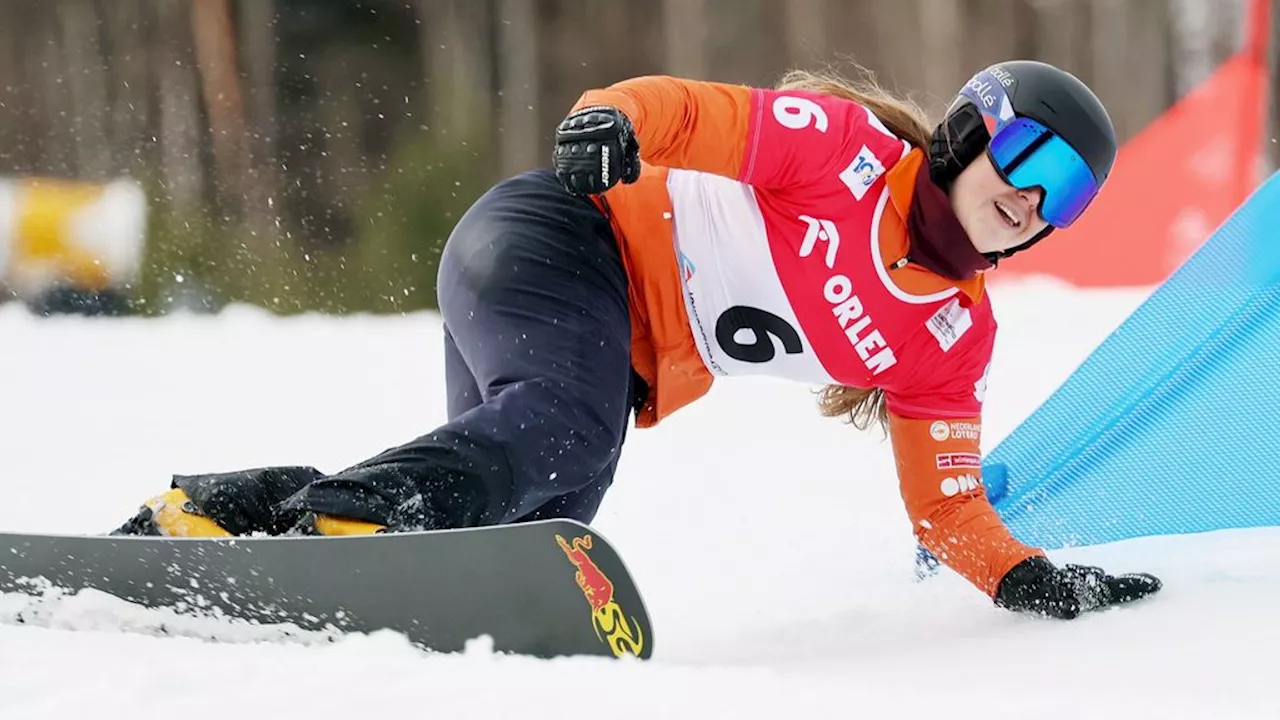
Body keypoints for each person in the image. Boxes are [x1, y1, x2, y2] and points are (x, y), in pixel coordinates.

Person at [115, 59, 1161, 620]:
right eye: (1029, 160)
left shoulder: (948, 338)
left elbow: (945, 507)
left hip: (603, 345)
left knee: (529, 530)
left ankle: (220, 512)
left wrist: (1024, 579)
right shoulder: (846, 158)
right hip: (556, 237)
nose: (1031, 200)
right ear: (968, 132)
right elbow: (686, 112)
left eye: (1065, 193)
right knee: (563, 432)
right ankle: (337, 536)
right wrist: (608, 119)